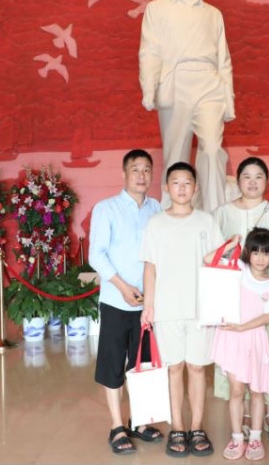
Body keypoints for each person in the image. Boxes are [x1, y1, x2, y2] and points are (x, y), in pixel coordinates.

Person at [138, 0, 235, 213]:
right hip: (175, 83)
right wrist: (149, 88)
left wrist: (229, 101)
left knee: (212, 149)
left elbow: (224, 60)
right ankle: (174, 215)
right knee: (175, 155)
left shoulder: (213, 14)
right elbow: (149, 51)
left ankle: (215, 215)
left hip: (208, 83)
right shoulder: (157, 9)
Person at [140, 161, 224, 457]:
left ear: (195, 188)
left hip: (200, 308)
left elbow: (217, 263)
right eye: (176, 182)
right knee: (174, 368)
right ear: (166, 188)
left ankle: (197, 427)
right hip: (166, 309)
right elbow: (150, 267)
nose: (182, 188)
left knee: (197, 368)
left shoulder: (206, 222)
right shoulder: (156, 223)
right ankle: (177, 427)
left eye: (187, 183)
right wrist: (148, 306)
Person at [212, 157, 269, 442]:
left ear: (266, 181)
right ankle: (247, 413)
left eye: (258, 176)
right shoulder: (222, 213)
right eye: (246, 176)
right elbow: (214, 254)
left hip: (268, 294)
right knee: (239, 352)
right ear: (237, 181)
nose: (252, 181)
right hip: (235, 298)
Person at [89, 149, 164, 455]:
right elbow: (96, 255)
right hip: (116, 301)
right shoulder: (106, 208)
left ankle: (140, 421)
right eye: (136, 170)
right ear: (124, 174)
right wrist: (121, 287)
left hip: (147, 304)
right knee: (113, 364)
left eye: (147, 170)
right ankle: (117, 425)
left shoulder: (157, 208)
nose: (142, 176)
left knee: (142, 364)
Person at [211, 228, 269, 462]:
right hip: (232, 339)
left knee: (257, 391)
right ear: (248, 253)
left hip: (255, 339)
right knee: (237, 390)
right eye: (256, 252)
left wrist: (243, 327)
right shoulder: (239, 270)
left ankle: (255, 438)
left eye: (266, 253)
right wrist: (231, 244)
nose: (261, 258)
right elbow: (209, 260)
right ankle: (236, 438)